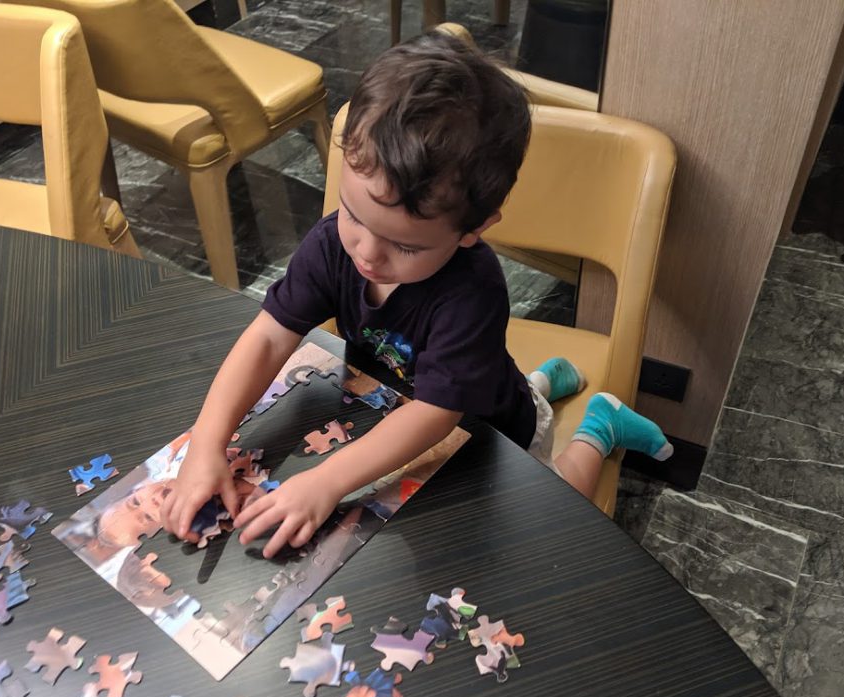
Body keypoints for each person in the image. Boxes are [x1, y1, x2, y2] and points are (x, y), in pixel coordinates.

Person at [161, 31, 672, 559]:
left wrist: (327, 480)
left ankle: (599, 425)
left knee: (554, 515)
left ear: (471, 230)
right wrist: (206, 443)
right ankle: (543, 380)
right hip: (403, 405)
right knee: (479, 372)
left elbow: (436, 413)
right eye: (353, 214)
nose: (367, 252)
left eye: (404, 246)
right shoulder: (331, 243)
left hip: (492, 433)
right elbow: (269, 337)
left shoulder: (474, 293)